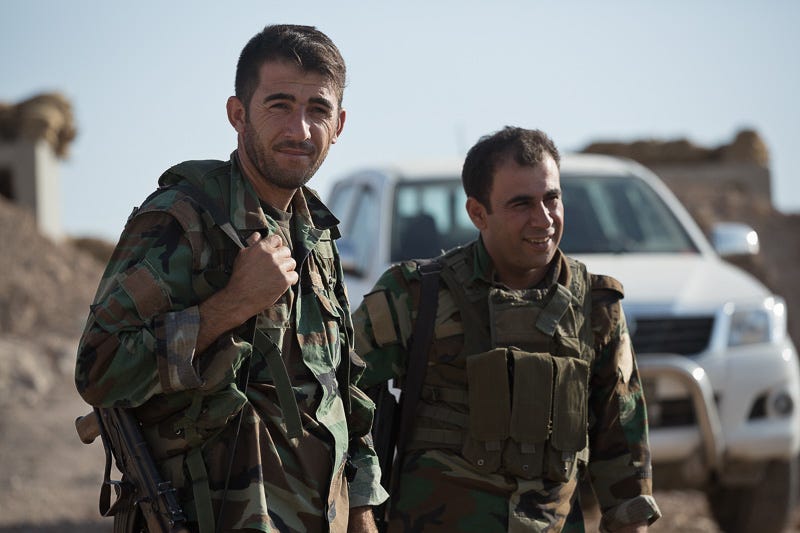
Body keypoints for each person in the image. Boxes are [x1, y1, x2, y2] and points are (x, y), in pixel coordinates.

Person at [75, 24, 387, 533]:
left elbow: (342, 389)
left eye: (318, 111)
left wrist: (363, 507)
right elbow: (98, 369)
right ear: (237, 114)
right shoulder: (181, 222)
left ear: (340, 124)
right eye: (279, 105)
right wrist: (230, 306)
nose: (300, 129)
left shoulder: (318, 237)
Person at [352, 127, 662, 532]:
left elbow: (622, 445)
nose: (544, 218)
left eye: (552, 198)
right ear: (478, 213)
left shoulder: (595, 306)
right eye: (521, 204)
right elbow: (338, 403)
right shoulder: (414, 295)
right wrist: (360, 513)